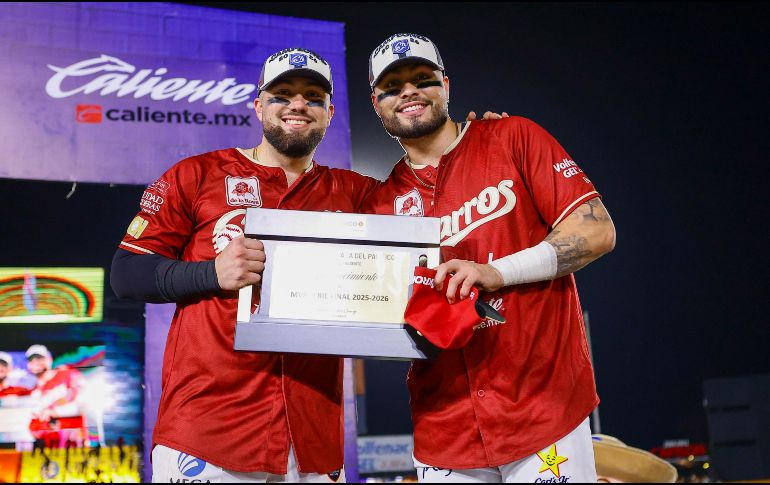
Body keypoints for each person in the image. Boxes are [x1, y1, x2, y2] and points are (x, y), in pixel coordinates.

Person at [110, 47, 378, 483]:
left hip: (312, 440)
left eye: (313, 97)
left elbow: (430, 202)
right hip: (209, 434)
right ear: (258, 106)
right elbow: (126, 274)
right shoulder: (196, 175)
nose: (298, 105)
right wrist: (212, 273)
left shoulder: (355, 192)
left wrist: (476, 141)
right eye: (282, 94)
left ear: (329, 113)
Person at [361, 33, 617, 483]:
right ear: (376, 103)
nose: (409, 91)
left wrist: (496, 272)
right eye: (392, 86)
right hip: (445, 427)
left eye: (422, 78)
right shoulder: (380, 204)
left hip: (542, 409)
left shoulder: (512, 137)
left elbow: (596, 231)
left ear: (446, 85)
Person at [25, 344, 87, 448]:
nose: (35, 362)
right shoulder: (34, 391)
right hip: (48, 447)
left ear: (49, 359)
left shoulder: (68, 375)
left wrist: (54, 412)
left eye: (39, 358)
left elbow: (83, 405)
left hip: (74, 443)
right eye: (31, 359)